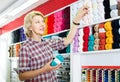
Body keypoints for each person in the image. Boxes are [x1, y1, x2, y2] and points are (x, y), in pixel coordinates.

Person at [18, 5, 89, 82]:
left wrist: (77, 18)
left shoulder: (47, 42)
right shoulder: (26, 48)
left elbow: (68, 40)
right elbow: (22, 76)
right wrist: (44, 69)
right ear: (30, 27)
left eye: (43, 21)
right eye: (37, 22)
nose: (42, 24)